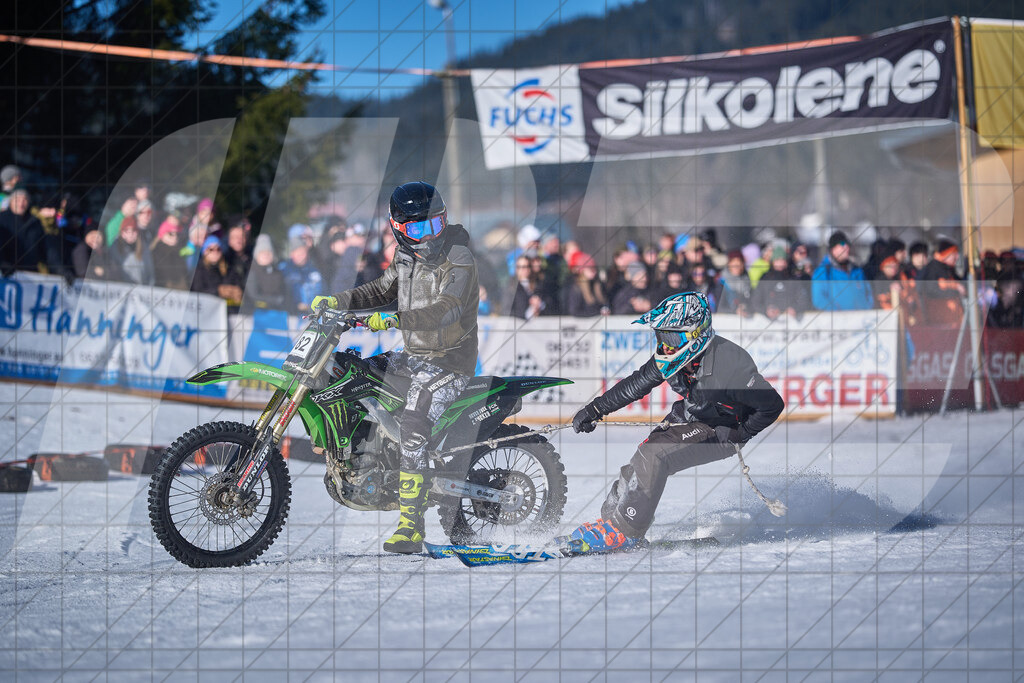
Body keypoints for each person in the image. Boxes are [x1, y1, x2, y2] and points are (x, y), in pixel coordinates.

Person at [310, 181, 479, 554]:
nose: (428, 236)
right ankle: (363, 459)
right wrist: (337, 300)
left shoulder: (459, 256)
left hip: (449, 362)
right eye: (417, 229)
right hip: (415, 356)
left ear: (444, 219)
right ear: (398, 228)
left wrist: (392, 321)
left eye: (434, 225)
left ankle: (411, 527)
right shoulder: (406, 259)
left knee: (415, 425)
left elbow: (447, 308)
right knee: (353, 372)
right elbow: (378, 291)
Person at [568, 291, 784, 551]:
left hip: (721, 430)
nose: (665, 345)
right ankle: (610, 522)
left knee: (655, 456)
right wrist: (594, 409)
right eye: (662, 336)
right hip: (689, 417)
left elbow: (772, 405)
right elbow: (637, 384)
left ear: (695, 335)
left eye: (670, 337)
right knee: (639, 462)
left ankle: (625, 531)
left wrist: (742, 432)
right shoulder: (670, 356)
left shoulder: (731, 367)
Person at [811, 230, 873, 311]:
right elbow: (819, 300)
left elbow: (868, 294)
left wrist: (866, 309)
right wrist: (839, 314)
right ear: (833, 248)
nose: (846, 247)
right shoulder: (823, 272)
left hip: (861, 320)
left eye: (848, 244)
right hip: (839, 321)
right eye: (842, 244)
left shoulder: (857, 271)